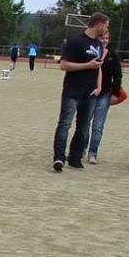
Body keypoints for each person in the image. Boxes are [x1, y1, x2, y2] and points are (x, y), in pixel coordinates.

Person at [52, 12, 109, 172]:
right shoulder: (75, 41)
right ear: (99, 25)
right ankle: (59, 157)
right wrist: (86, 66)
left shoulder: (99, 45)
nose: (107, 29)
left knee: (83, 127)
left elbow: (98, 67)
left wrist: (98, 86)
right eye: (106, 26)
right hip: (72, 91)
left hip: (89, 93)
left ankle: (75, 157)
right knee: (65, 124)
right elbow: (64, 65)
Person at [87, 31, 122, 164]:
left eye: (107, 38)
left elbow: (117, 75)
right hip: (90, 92)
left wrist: (115, 93)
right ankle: (81, 148)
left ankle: (93, 152)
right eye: (102, 38)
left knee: (98, 125)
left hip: (105, 93)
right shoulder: (90, 52)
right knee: (85, 123)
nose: (104, 40)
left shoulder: (113, 55)